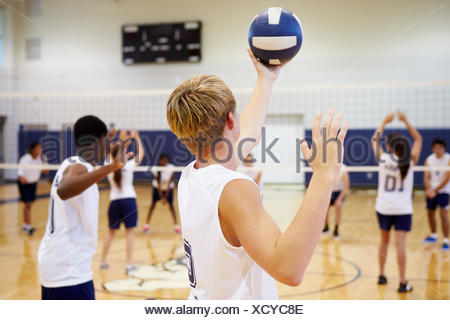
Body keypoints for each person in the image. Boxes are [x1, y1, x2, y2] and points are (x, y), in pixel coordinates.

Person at [166, 49, 348, 299]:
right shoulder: (234, 188)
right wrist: (324, 175)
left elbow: (247, 131)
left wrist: (266, 79)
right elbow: (289, 268)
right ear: (231, 121)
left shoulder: (191, 175)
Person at [37, 115, 133, 300]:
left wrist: (107, 141)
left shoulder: (72, 162)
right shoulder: (80, 166)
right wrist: (112, 166)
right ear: (98, 140)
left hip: (56, 264)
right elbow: (64, 190)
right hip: (70, 271)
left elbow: (82, 172)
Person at [371, 111, 422, 293]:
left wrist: (384, 121)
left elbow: (374, 140)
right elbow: (418, 139)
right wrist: (406, 121)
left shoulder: (384, 159)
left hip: (384, 207)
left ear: (390, 146)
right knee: (400, 244)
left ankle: (382, 275)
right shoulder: (410, 160)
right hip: (402, 209)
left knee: (383, 242)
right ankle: (402, 282)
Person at [101, 130, 145, 274]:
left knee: (111, 232)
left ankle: (102, 261)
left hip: (114, 202)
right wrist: (136, 138)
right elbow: (141, 155)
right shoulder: (128, 165)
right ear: (123, 153)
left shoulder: (109, 165)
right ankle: (128, 264)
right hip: (128, 201)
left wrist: (112, 138)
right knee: (129, 233)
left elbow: (109, 152)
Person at [422, 138, 450, 251]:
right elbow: (426, 177)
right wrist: (429, 189)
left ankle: (445, 240)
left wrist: (435, 190)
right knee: (430, 213)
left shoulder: (448, 159)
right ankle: (433, 235)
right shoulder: (429, 160)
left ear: (444, 149)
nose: (438, 150)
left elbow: (447, 178)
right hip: (432, 190)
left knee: (443, 214)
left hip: (444, 191)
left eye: (441, 148)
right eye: (436, 148)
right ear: (433, 149)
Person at [143, 154, 179, 234]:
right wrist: (162, 197)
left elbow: (170, 182)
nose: (164, 162)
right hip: (157, 189)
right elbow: (158, 184)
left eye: (166, 160)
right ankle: (146, 225)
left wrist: (166, 197)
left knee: (171, 206)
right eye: (162, 160)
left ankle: (176, 226)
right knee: (152, 205)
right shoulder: (156, 169)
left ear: (168, 161)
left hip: (168, 189)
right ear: (160, 160)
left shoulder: (171, 168)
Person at [17, 142, 48, 235]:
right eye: (38, 148)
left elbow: (46, 171)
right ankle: (27, 226)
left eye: (40, 148)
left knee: (29, 205)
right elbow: (20, 172)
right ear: (32, 149)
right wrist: (22, 177)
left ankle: (26, 225)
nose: (39, 150)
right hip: (25, 185)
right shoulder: (25, 158)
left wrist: (43, 161)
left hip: (33, 184)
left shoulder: (41, 158)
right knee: (28, 204)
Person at [322, 164, 349, 238]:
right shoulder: (327, 167)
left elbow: (346, 185)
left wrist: (339, 199)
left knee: (338, 206)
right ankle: (326, 226)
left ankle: (336, 229)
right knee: (325, 208)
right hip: (329, 191)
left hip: (339, 192)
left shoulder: (343, 169)